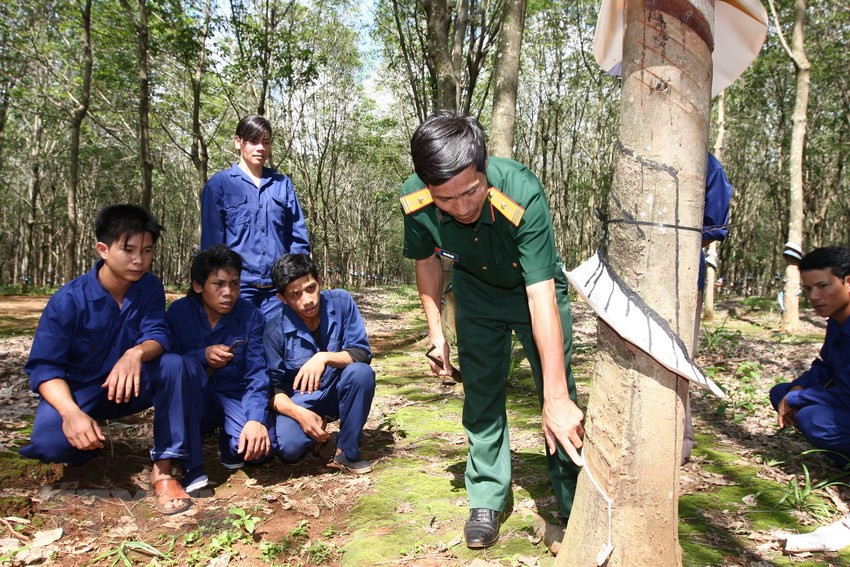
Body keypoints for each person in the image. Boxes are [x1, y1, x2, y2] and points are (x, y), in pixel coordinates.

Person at [399, 111, 582, 549]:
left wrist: (554, 397)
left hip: (530, 289)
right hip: (476, 294)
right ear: (426, 187)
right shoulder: (414, 199)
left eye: (471, 190)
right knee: (481, 394)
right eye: (446, 199)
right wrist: (436, 332)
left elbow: (540, 295)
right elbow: (426, 261)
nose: (462, 207)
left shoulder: (520, 191)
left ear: (483, 168)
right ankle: (486, 495)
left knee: (558, 393)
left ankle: (574, 497)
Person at [19, 204, 204, 515]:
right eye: (128, 249)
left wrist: (135, 353)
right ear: (102, 249)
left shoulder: (149, 286)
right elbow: (44, 367)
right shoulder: (69, 300)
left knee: (176, 364)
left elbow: (159, 334)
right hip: (80, 392)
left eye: (147, 250)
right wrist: (70, 413)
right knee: (51, 446)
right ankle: (86, 433)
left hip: (130, 387)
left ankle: (163, 470)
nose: (139, 259)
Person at [166, 244, 273, 472]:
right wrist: (201, 356)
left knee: (256, 451)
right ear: (198, 286)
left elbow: (257, 373)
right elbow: (167, 363)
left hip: (235, 396)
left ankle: (229, 436)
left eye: (235, 283)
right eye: (218, 284)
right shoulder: (179, 313)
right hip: (196, 397)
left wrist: (255, 420)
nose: (229, 292)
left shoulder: (251, 317)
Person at [265, 253, 375, 474]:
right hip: (299, 402)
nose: (307, 300)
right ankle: (314, 428)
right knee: (289, 448)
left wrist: (323, 357)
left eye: (310, 288)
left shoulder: (342, 302)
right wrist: (299, 414)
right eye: (295, 295)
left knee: (361, 373)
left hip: (337, 391)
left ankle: (347, 451)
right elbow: (270, 388)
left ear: (320, 281)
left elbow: (362, 352)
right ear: (282, 298)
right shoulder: (273, 330)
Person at [201, 115, 311, 320]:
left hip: (276, 290)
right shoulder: (219, 185)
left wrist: (294, 280)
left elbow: (297, 236)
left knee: (278, 346)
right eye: (253, 141)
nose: (260, 148)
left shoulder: (282, 184)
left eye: (266, 142)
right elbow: (212, 245)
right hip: (236, 289)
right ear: (238, 142)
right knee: (238, 347)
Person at [770, 246, 850, 467]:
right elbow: (826, 366)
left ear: (848, 282)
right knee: (781, 393)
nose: (814, 297)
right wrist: (799, 387)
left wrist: (799, 398)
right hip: (842, 402)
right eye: (808, 288)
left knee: (813, 420)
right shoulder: (836, 322)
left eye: (822, 286)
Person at [683, 152, 734, 463]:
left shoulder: (707, 164)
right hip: (633, 276)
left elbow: (716, 224)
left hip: (686, 276)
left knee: (677, 357)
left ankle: (679, 442)